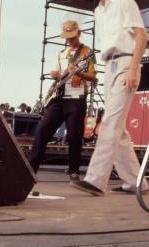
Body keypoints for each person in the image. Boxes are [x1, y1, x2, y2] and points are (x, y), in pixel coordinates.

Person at [71, 0, 148, 196]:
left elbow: (142, 36)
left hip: (126, 62)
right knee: (119, 130)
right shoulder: (98, 11)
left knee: (110, 123)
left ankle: (95, 180)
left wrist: (134, 69)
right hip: (110, 66)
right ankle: (136, 182)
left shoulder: (124, 2)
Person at [29, 20, 96, 182]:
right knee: (43, 130)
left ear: (78, 34)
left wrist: (78, 73)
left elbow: (93, 77)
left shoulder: (87, 52)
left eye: (72, 37)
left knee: (74, 135)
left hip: (76, 98)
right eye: (67, 38)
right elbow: (58, 72)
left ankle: (74, 170)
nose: (70, 41)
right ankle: (31, 168)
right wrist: (56, 74)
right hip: (59, 98)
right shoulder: (61, 54)